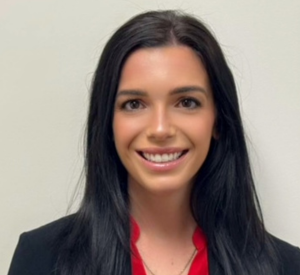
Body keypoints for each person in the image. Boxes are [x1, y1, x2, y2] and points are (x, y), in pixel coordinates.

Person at [8, 10, 300, 275]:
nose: (160, 129)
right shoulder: (41, 259)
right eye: (134, 104)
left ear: (218, 121)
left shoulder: (287, 266)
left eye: (186, 102)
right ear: (108, 124)